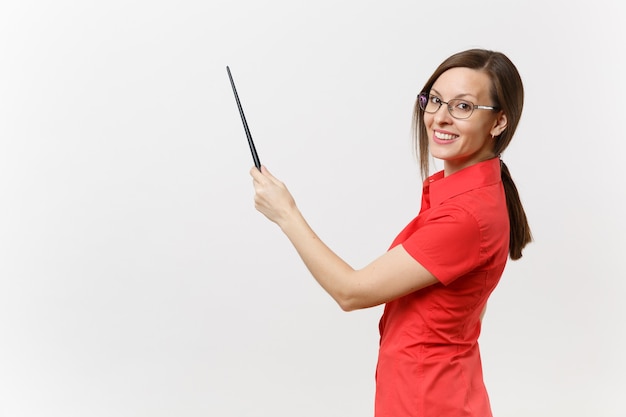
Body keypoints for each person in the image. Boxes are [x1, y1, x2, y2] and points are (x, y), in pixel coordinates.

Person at [249, 48, 532, 417]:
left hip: (428, 401)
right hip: (430, 390)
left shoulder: (466, 215)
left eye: (463, 107)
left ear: (498, 122)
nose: (440, 118)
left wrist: (286, 213)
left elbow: (351, 292)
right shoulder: (469, 195)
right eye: (434, 101)